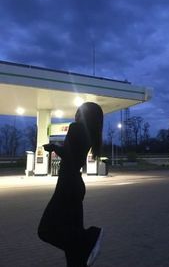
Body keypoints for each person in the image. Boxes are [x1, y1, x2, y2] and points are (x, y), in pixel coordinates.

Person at [38, 102, 104, 267]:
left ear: (83, 114)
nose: (76, 114)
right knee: (72, 239)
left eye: (79, 111)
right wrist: (54, 147)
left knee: (45, 230)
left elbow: (68, 156)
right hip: (75, 185)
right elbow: (73, 156)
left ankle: (90, 238)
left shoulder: (75, 128)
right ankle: (83, 248)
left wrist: (55, 148)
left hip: (67, 186)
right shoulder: (89, 134)